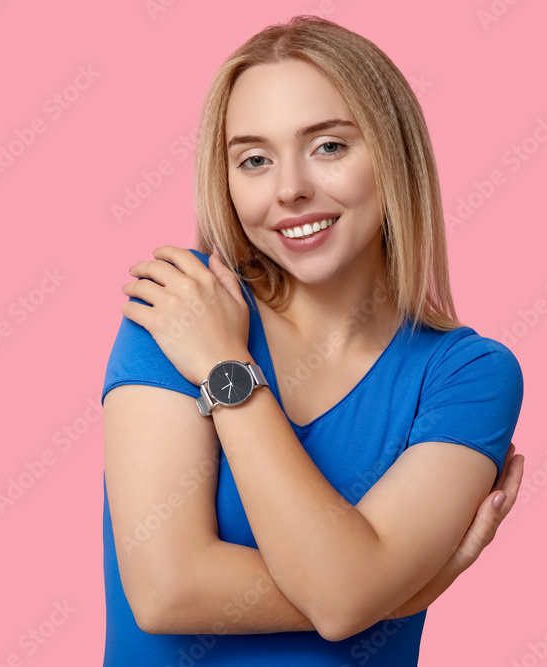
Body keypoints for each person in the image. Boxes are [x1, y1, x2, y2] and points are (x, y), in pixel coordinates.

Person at [101, 15, 525, 665]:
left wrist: (224, 365)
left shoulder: (468, 374)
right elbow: (167, 590)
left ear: (393, 154)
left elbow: (344, 596)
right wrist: (388, 588)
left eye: (328, 147)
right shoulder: (183, 305)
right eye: (254, 159)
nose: (290, 188)